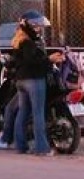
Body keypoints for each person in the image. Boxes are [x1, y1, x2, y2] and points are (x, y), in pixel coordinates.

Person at [10, 10, 54, 156]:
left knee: (23, 112)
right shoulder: (28, 43)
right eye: (35, 26)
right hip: (34, 80)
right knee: (38, 113)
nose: (38, 29)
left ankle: (20, 146)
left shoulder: (18, 40)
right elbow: (33, 62)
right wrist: (50, 60)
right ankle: (41, 147)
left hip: (21, 80)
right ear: (27, 25)